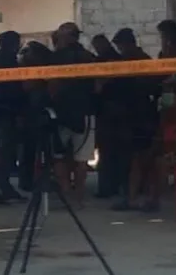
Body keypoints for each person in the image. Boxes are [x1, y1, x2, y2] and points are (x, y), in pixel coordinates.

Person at [110, 28, 164, 212]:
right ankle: (139, 197)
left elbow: (150, 87)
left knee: (142, 159)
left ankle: (143, 197)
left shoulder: (138, 61)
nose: (120, 50)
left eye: (121, 46)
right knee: (139, 159)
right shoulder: (137, 60)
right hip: (137, 116)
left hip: (140, 117)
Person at [50, 22, 96, 207]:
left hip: (62, 113)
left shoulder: (55, 59)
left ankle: (67, 192)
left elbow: (52, 87)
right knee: (81, 159)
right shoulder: (88, 57)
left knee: (59, 155)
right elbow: (98, 85)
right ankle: (78, 197)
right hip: (85, 112)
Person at [0, 30, 24, 203]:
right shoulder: (8, 61)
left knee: (2, 152)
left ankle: (4, 186)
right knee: (5, 153)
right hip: (7, 111)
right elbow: (13, 89)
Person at [91, 33, 125, 198]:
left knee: (106, 151)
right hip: (118, 110)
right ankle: (116, 185)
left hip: (108, 111)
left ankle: (107, 187)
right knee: (116, 152)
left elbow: (98, 87)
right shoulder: (119, 59)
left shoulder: (104, 61)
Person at [17, 41, 54, 191]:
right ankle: (27, 181)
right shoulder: (24, 70)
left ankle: (38, 178)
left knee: (41, 149)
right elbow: (26, 87)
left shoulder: (42, 68)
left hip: (39, 113)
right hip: (28, 115)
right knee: (28, 150)